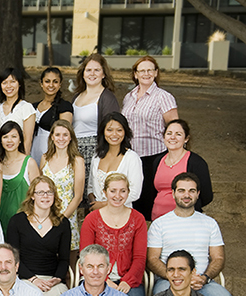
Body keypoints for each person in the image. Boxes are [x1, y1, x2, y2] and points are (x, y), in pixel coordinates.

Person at [147, 173, 239, 296]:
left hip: (202, 281)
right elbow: (152, 259)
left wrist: (204, 278)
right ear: (173, 193)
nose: (186, 195)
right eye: (181, 190)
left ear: (198, 194)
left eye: (191, 191)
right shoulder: (159, 224)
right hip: (169, 281)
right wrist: (176, 277)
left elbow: (218, 258)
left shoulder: (210, 223)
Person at [80, 173, 147, 296]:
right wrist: (105, 281)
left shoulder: (138, 219)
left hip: (129, 279)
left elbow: (140, 257)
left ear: (128, 192)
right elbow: (85, 256)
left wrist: (127, 282)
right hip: (95, 276)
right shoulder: (91, 219)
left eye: (123, 191)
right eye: (113, 191)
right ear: (105, 192)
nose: (118, 195)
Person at [6, 176, 71, 296]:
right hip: (24, 278)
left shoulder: (63, 223)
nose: (45, 196)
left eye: (49, 192)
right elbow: (12, 259)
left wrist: (56, 279)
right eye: (40, 192)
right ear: (32, 196)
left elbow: (64, 259)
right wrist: (33, 279)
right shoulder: (17, 221)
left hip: (51, 281)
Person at [135, 119, 213, 221]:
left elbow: (206, 196)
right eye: (169, 133)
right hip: (158, 219)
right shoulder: (158, 161)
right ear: (164, 137)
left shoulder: (196, 162)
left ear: (186, 139)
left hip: (184, 220)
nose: (172, 137)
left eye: (178, 134)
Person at [121, 55, 178, 186]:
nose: (146, 74)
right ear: (136, 74)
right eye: (142, 71)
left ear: (156, 73)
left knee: (149, 195)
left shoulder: (164, 97)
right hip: (131, 156)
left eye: (150, 70)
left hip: (154, 156)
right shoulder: (128, 97)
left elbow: (174, 127)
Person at [71, 53, 119, 191]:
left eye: (97, 70)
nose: (92, 73)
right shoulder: (77, 96)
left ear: (103, 74)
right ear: (83, 73)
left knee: (91, 193)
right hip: (74, 150)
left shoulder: (107, 98)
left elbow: (113, 129)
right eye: (88, 70)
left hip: (94, 151)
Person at [41, 120, 85, 269]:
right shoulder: (45, 158)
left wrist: (61, 219)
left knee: (67, 267)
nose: (61, 138)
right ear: (52, 137)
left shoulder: (77, 161)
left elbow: (78, 196)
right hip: (45, 215)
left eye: (65, 135)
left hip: (67, 216)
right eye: (57, 134)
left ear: (71, 137)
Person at [86, 112, 143, 211]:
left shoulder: (132, 158)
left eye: (119, 130)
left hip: (121, 212)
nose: (114, 134)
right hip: (98, 213)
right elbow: (90, 187)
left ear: (125, 132)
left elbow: (135, 193)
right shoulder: (96, 157)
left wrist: (104, 204)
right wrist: (93, 203)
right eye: (109, 130)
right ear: (103, 131)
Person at [0, 121, 40, 235]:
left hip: (23, 224)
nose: (9, 140)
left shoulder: (29, 163)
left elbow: (38, 194)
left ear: (20, 139)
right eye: (5, 137)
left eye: (14, 136)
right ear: (0, 140)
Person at [32, 66, 74, 166]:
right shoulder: (32, 107)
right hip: (32, 154)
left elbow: (64, 134)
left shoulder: (64, 106)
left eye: (55, 82)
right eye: (47, 81)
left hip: (52, 155)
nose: (51, 85)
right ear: (41, 83)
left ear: (60, 84)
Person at [0, 67, 36, 156]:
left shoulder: (27, 108)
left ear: (19, 84)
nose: (8, 86)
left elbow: (27, 141)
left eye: (13, 81)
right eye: (4, 82)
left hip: (17, 159)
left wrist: (23, 161)